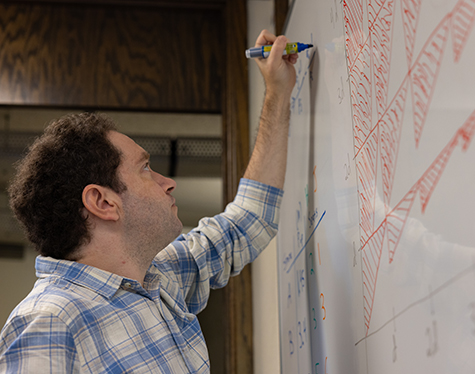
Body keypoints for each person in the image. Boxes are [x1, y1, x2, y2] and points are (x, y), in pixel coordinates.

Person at [0, 30, 297, 373]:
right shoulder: (49, 323)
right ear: (103, 202)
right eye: (145, 169)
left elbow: (248, 219)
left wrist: (277, 92)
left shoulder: (158, 279)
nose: (168, 183)